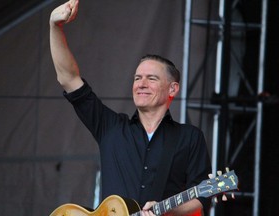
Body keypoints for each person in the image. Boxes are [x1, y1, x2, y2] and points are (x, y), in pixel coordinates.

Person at [49, 0, 212, 215]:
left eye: (151, 78)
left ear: (172, 89)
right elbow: (68, 78)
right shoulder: (111, 127)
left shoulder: (190, 137)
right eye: (137, 78)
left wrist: (166, 211)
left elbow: (202, 196)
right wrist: (54, 26)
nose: (141, 84)